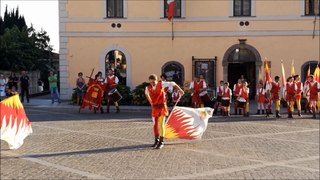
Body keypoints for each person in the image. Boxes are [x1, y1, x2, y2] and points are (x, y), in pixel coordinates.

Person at [145, 74, 184, 149]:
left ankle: (161, 141)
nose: (152, 83)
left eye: (154, 82)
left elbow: (173, 83)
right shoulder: (148, 88)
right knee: (155, 124)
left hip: (162, 107)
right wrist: (150, 102)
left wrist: (180, 90)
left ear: (156, 80)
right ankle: (156, 140)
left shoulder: (161, 84)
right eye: (151, 82)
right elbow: (146, 94)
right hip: (155, 108)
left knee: (161, 124)